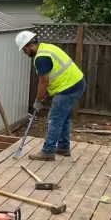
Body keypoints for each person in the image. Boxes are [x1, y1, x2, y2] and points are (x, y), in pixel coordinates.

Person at [16, 31, 86, 160]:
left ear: (29, 45)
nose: (24, 53)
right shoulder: (47, 48)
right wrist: (46, 94)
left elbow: (43, 81)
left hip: (69, 87)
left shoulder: (41, 58)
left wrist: (38, 100)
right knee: (62, 118)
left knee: (54, 119)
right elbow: (53, 75)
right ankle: (64, 147)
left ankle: (48, 151)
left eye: (24, 49)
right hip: (75, 83)